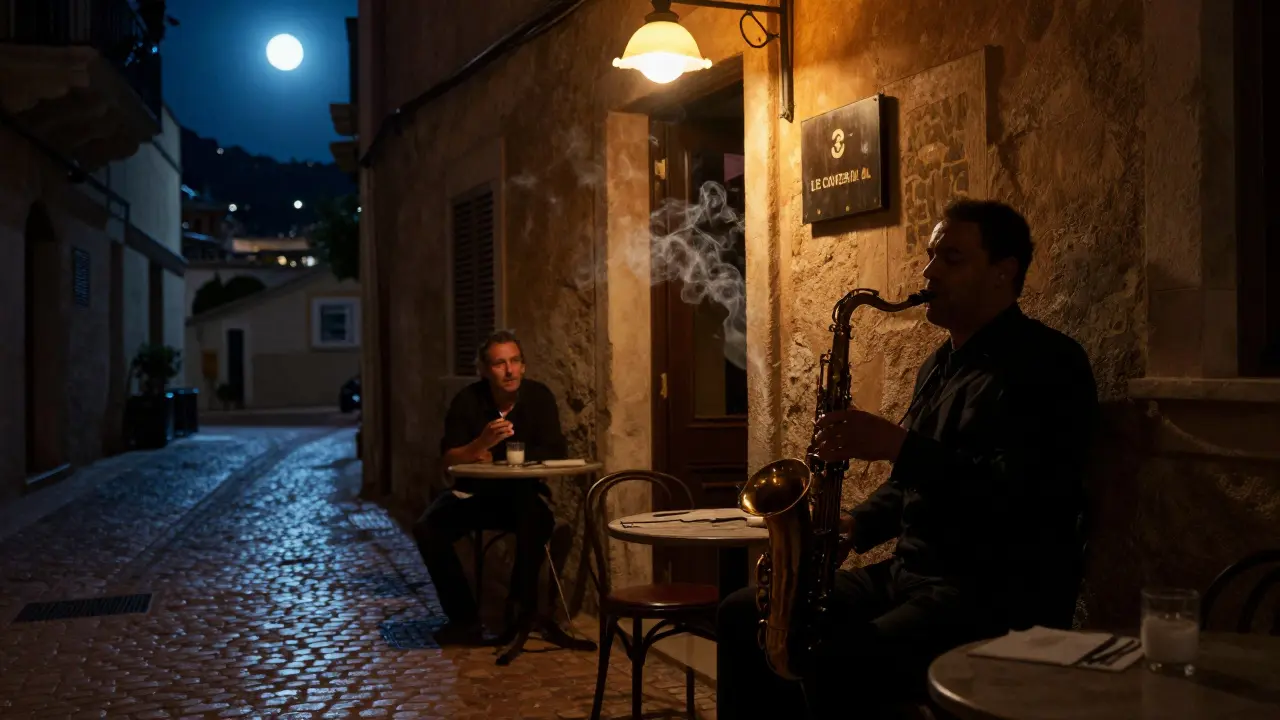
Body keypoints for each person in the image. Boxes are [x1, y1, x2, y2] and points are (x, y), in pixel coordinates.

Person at [717, 200, 1099, 718]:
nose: (928, 271)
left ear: (1003, 272)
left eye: (952, 258)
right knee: (745, 614)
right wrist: (856, 523)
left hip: (991, 590)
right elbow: (911, 487)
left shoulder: (1050, 364)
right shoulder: (937, 366)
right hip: (909, 574)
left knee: (837, 659)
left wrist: (899, 446)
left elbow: (1024, 497)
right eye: (929, 255)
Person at [413, 330, 568, 645]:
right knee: (428, 527)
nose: (509, 370)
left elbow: (555, 451)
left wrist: (495, 455)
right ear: (485, 370)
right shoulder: (467, 401)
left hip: (522, 495)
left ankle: (520, 609)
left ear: (523, 366)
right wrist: (479, 443)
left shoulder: (539, 398)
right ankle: (464, 618)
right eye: (499, 364)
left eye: (515, 362)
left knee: (538, 521)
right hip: (475, 496)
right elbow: (449, 459)